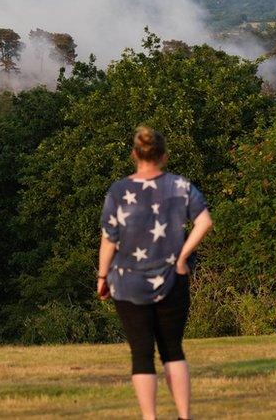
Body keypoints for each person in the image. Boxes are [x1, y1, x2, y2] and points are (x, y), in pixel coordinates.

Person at [96, 127, 213, 420]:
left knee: (141, 354)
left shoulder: (119, 191)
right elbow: (204, 222)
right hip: (173, 279)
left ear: (135, 154)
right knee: (173, 350)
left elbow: (108, 240)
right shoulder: (180, 186)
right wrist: (183, 257)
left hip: (128, 282)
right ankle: (184, 416)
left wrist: (102, 277)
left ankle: (150, 418)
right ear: (164, 155)